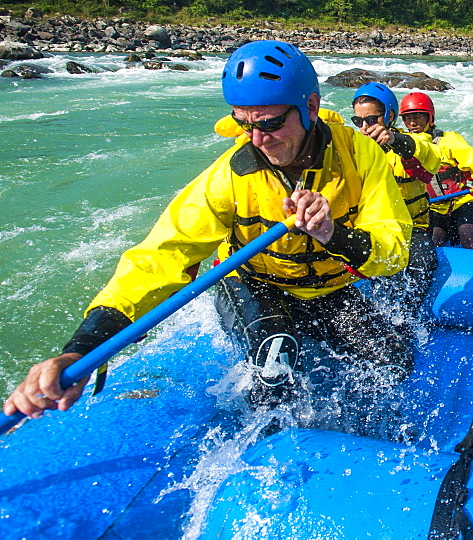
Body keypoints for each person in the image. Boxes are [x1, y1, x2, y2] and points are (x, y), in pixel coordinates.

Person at [3, 40, 414, 421]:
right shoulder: (230, 175)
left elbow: (393, 250)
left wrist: (331, 233)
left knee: (396, 358)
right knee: (276, 372)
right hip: (256, 283)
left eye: (269, 123)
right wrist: (82, 349)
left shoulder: (361, 156)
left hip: (325, 288)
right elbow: (160, 257)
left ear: (309, 106)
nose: (258, 139)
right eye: (244, 124)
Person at [352, 82, 441, 327]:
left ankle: (405, 318)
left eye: (371, 119)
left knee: (424, 261)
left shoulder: (412, 142)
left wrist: (395, 140)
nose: (364, 127)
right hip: (374, 227)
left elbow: (430, 156)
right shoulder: (355, 149)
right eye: (358, 121)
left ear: (390, 117)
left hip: (411, 228)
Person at [398, 91, 473, 250]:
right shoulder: (404, 147)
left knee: (467, 236)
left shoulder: (449, 140)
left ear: (430, 117)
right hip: (432, 207)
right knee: (434, 241)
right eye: (409, 118)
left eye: (419, 117)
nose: (413, 122)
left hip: (460, 202)